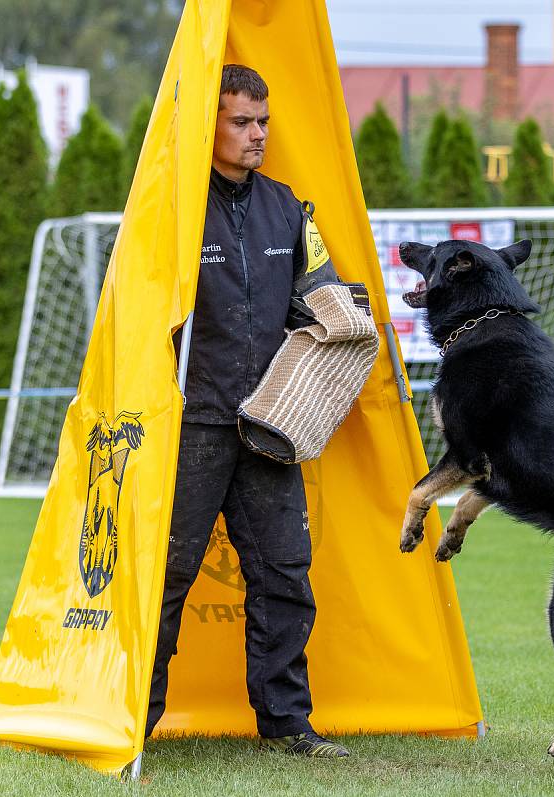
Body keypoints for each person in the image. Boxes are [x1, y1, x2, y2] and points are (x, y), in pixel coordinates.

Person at [145, 64, 349, 759]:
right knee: (166, 577)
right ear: (213, 126)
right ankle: (133, 722)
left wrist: (345, 319)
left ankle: (288, 725)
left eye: (263, 122)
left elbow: (318, 293)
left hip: (269, 425)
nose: (257, 134)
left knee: (285, 574)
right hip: (191, 424)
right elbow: (134, 308)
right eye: (242, 122)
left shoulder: (288, 207)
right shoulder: (169, 207)